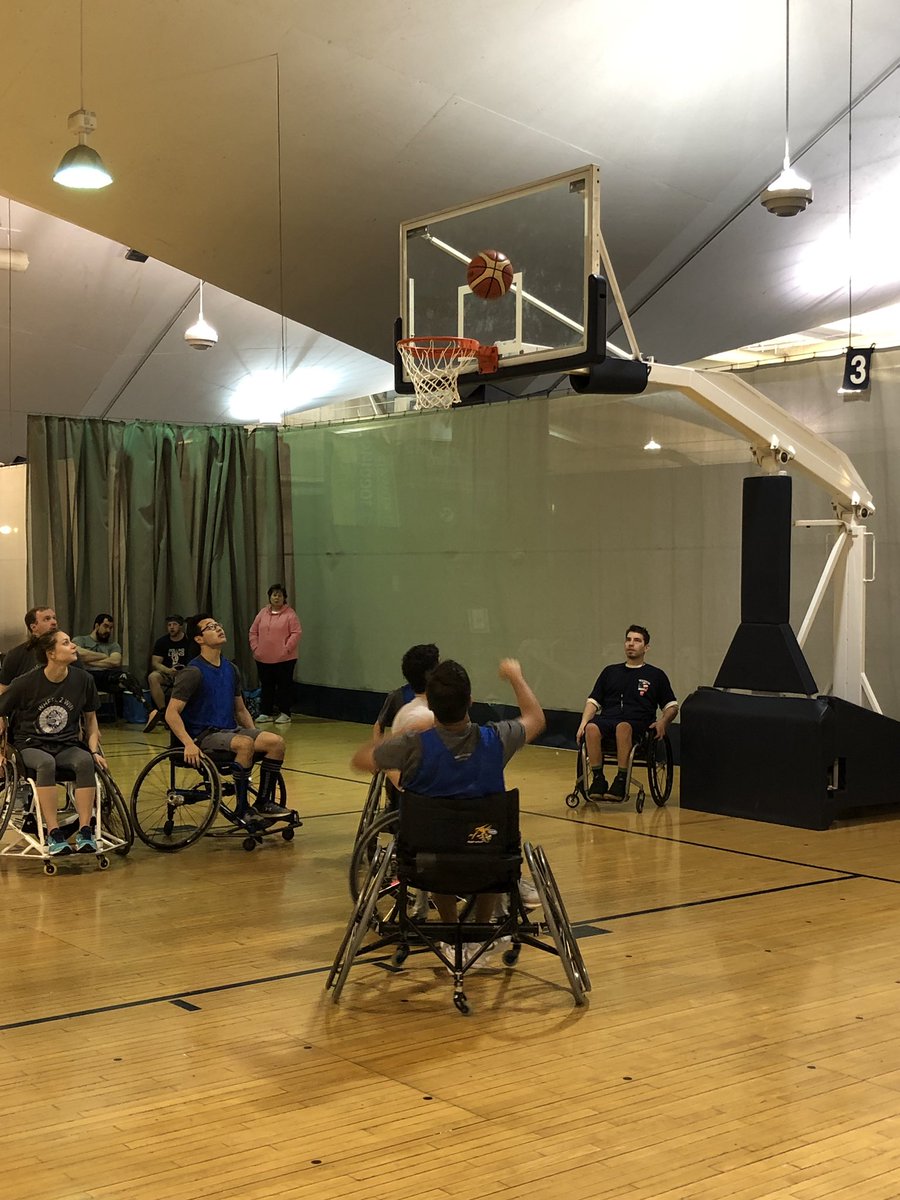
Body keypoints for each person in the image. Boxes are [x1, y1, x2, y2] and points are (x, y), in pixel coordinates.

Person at [352, 658, 545, 931]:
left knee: (438, 844)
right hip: (489, 858)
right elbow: (536, 719)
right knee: (486, 839)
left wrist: (402, 735)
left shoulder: (414, 744)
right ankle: (481, 929)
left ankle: (449, 928)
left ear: (429, 704)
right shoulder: (496, 739)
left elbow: (360, 760)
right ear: (470, 701)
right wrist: (515, 676)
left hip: (428, 863)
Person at [166, 614, 291, 819]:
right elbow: (172, 713)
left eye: (218, 624)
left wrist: (255, 734)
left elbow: (240, 710)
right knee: (244, 744)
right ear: (199, 639)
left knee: (275, 742)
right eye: (211, 627)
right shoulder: (193, 671)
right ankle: (242, 808)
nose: (218, 628)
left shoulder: (230, 669)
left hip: (229, 731)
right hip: (203, 736)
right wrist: (188, 743)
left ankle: (263, 802)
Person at [0, 628, 107, 856]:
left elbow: (91, 720)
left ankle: (85, 830)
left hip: (66, 744)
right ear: (51, 653)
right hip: (31, 745)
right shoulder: (26, 682)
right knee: (45, 763)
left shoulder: (83, 680)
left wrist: (94, 750)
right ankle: (54, 832)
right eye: (66, 643)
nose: (73, 646)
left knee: (85, 761)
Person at [575, 624, 678, 801]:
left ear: (646, 648)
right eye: (628, 640)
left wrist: (663, 722)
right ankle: (598, 779)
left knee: (623, 727)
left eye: (637, 640)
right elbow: (593, 702)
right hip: (609, 719)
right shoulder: (610, 672)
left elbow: (672, 706)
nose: (631, 644)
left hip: (638, 722)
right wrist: (583, 723)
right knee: (591, 728)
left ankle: (622, 780)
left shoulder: (655, 675)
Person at [73, 613, 146, 719]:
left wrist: (88, 661)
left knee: (127, 677)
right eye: (106, 626)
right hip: (86, 676)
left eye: (111, 628)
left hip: (106, 677)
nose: (108, 631)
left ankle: (149, 710)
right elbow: (77, 654)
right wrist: (103, 656)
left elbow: (115, 661)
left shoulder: (113, 645)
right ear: (97, 626)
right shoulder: (80, 640)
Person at [249, 584, 302, 725]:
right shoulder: (262, 613)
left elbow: (296, 633)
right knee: (267, 685)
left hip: (285, 659)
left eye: (279, 595)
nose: (276, 597)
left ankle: (285, 712)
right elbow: (253, 632)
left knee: (284, 686)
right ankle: (265, 712)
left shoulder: (290, 614)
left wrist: (286, 649)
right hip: (263, 657)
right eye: (274, 595)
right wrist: (256, 648)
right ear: (270, 597)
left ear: (284, 598)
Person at [372, 643, 440, 744]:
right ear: (429, 674)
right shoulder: (398, 697)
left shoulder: (441, 697)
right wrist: (378, 749)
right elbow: (379, 725)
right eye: (438, 666)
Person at [144, 614, 198, 733]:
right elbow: (155, 662)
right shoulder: (162, 642)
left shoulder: (189, 641)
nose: (171, 628)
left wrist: (185, 671)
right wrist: (168, 670)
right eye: (169, 625)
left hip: (186, 674)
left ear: (181, 626)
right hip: (168, 673)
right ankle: (163, 712)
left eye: (174, 625)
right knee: (153, 677)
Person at [0, 605, 58, 692]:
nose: (54, 622)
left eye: (54, 618)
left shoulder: (67, 651)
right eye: (47, 619)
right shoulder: (16, 655)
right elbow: (3, 689)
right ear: (34, 627)